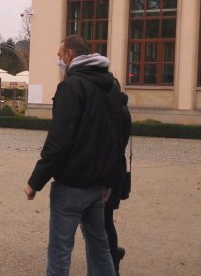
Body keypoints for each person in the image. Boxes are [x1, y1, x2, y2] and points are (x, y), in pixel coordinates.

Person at [25, 35, 122, 276]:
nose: (59, 62)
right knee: (100, 249)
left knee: (60, 252)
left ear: (69, 54)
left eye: (60, 56)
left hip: (71, 184)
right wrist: (109, 181)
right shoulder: (110, 86)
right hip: (97, 185)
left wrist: (35, 182)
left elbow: (59, 141)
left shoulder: (71, 87)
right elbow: (115, 138)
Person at [96, 89, 132, 276]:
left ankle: (112, 263)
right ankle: (113, 255)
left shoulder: (113, 112)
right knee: (106, 219)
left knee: (103, 221)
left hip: (109, 172)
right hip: (117, 169)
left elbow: (109, 144)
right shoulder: (122, 109)